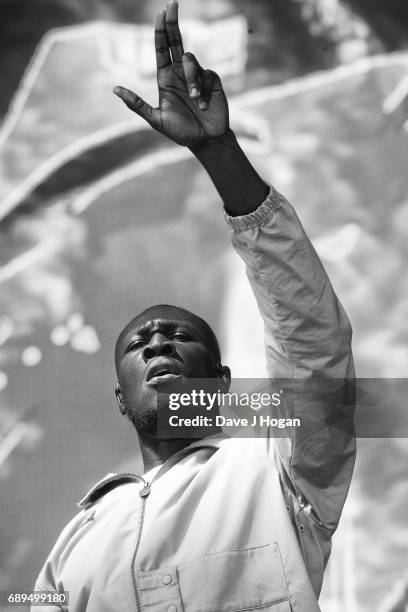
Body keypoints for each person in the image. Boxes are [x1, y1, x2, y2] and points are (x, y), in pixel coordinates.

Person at [32, 2, 356, 611]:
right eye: (139, 342)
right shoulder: (74, 545)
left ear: (221, 381)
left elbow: (313, 341)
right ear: (120, 397)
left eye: (180, 337)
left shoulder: (280, 474)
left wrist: (219, 154)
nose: (156, 343)